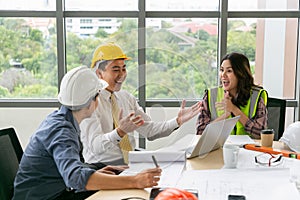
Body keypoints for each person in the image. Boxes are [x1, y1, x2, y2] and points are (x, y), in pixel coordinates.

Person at [13, 66, 161, 200]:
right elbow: (74, 177)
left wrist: (95, 170)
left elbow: (69, 167)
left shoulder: (63, 121)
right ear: (92, 101)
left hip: (54, 192)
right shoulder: (61, 131)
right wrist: (134, 181)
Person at [80, 42, 202, 165]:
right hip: (100, 168)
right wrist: (120, 132)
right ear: (99, 74)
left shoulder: (126, 98)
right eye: (116, 70)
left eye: (124, 68)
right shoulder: (89, 103)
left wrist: (177, 121)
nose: (122, 74)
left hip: (129, 164)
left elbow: (149, 131)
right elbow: (95, 147)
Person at [196, 52, 268, 139]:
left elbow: (261, 134)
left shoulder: (256, 96)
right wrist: (224, 117)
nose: (223, 75)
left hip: (248, 150)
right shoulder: (211, 96)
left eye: (229, 71)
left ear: (241, 74)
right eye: (222, 70)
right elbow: (200, 134)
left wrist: (234, 109)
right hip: (220, 149)